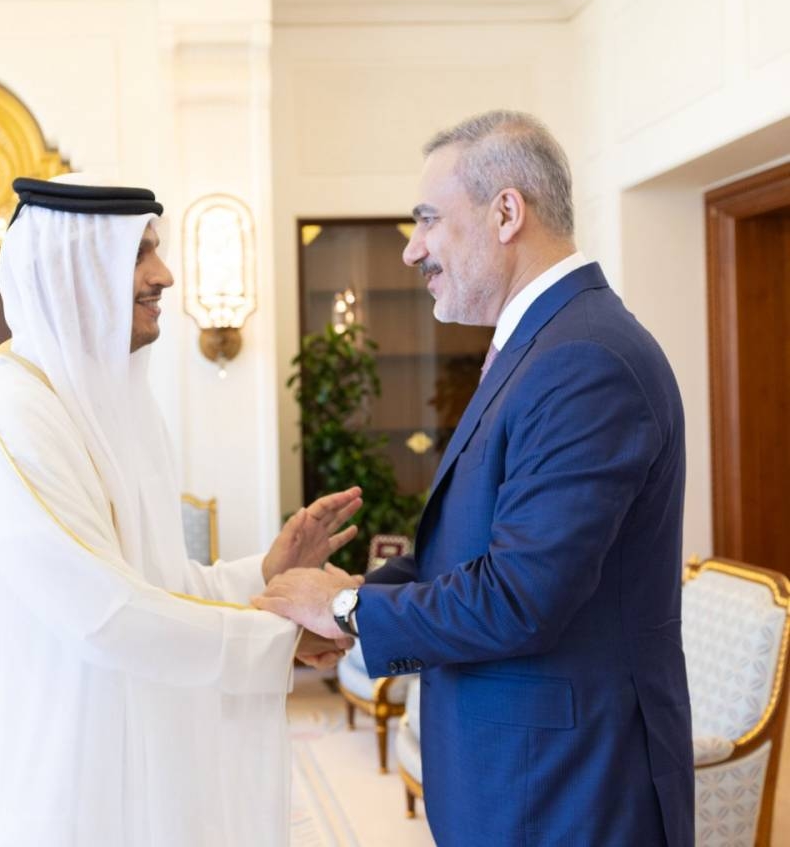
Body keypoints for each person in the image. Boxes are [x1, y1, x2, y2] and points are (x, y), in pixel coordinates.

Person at [254, 110, 694, 846]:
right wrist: (345, 605)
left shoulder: (585, 359)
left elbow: (522, 596)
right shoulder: (542, 346)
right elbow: (465, 558)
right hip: (518, 779)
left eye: (427, 219)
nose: (411, 249)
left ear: (507, 213)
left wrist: (345, 608)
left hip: (569, 791)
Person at [0, 174, 362, 847]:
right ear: (73, 273)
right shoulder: (7, 413)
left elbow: (154, 582)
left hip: (126, 743)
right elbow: (104, 612)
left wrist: (263, 575)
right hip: (54, 770)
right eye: (137, 254)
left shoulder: (118, 403)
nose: (164, 275)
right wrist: (280, 635)